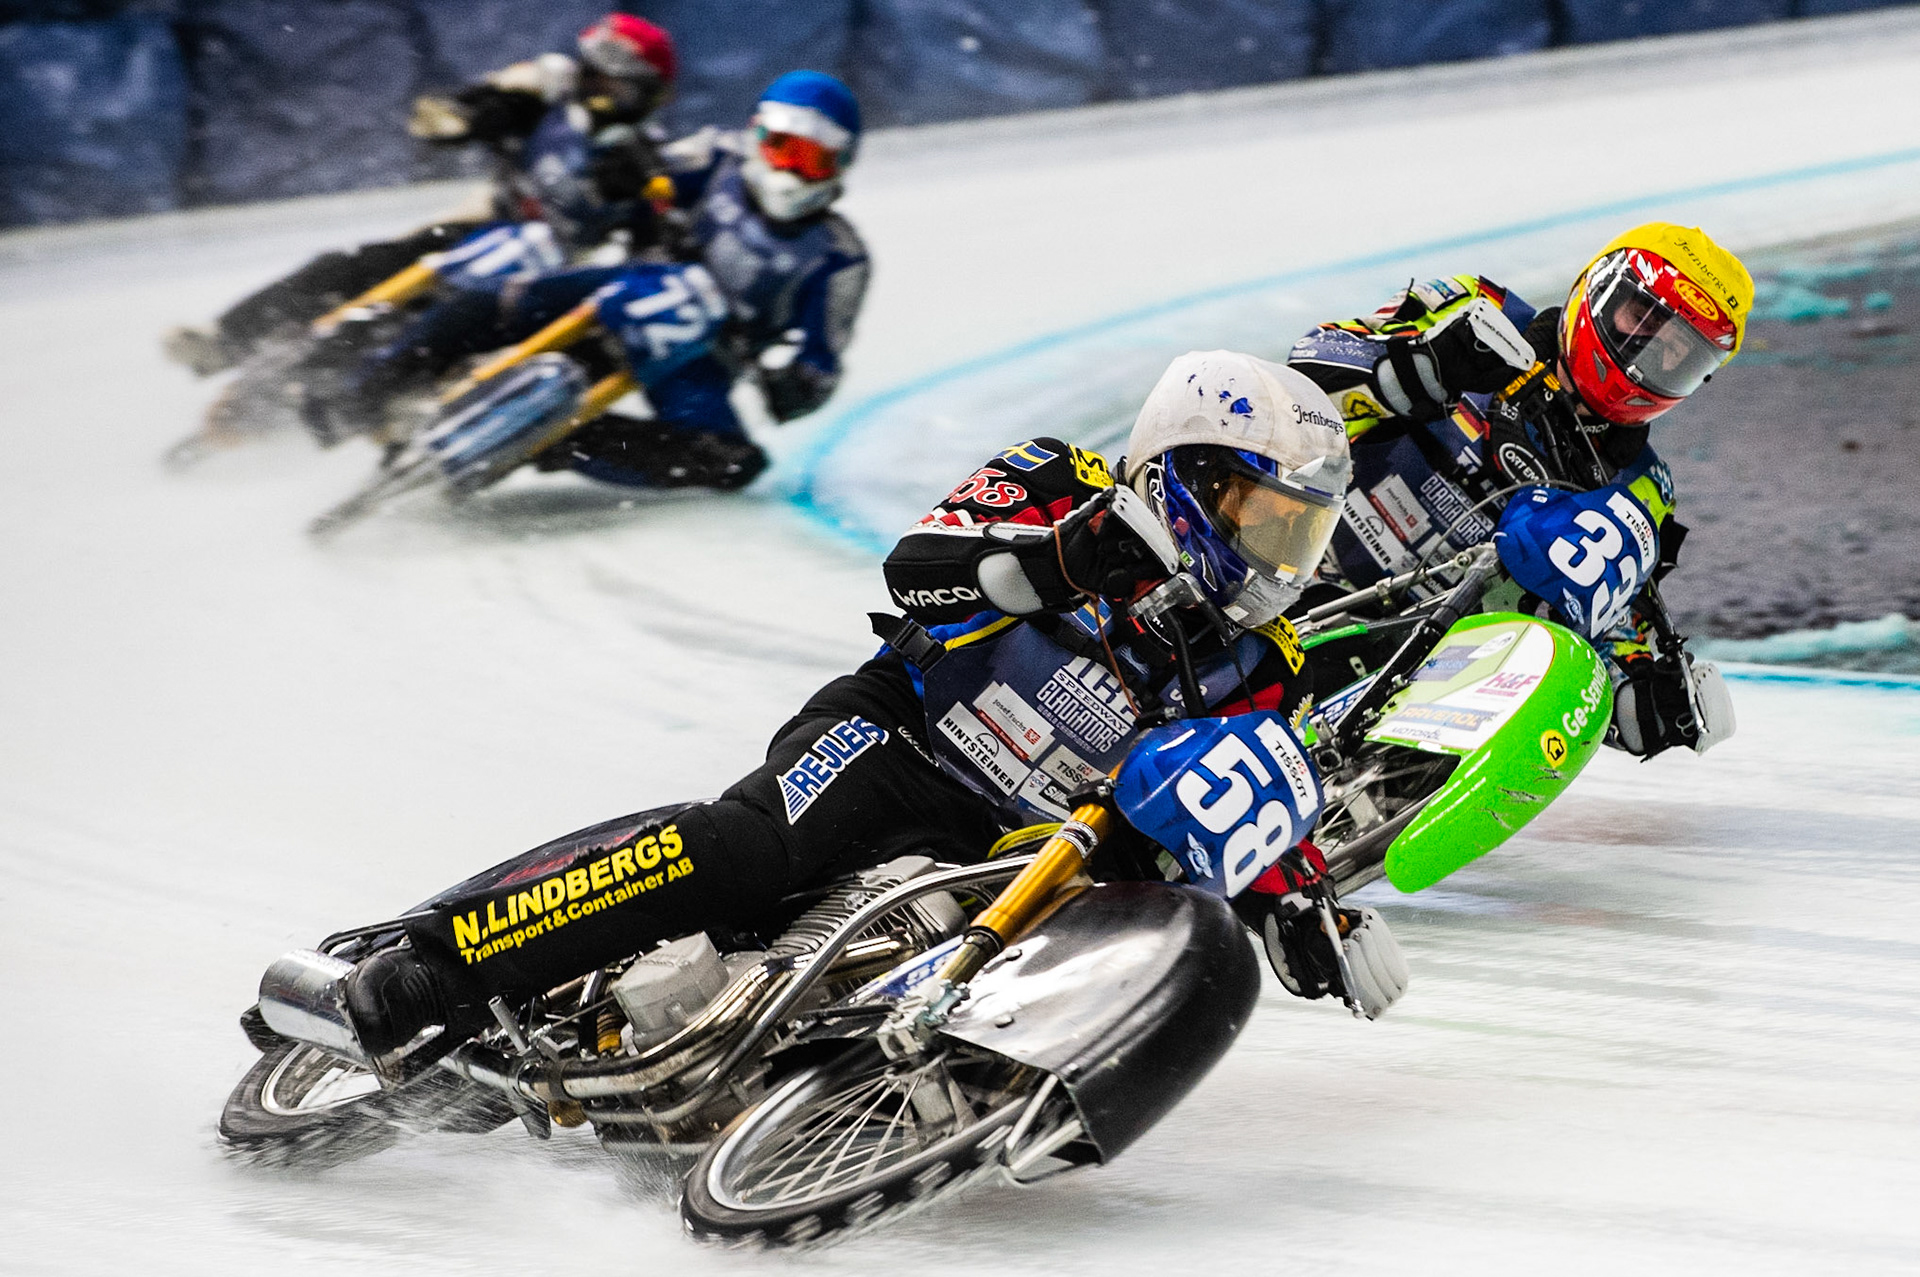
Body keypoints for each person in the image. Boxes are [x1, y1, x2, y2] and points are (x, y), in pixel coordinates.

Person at [334, 350, 1406, 1075]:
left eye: (1299, 534)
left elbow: (1244, 786)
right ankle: (443, 961)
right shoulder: (1059, 478)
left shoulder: (1265, 658)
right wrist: (1067, 560)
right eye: (1265, 519)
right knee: (747, 851)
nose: (1280, 558)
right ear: (1189, 474)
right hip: (903, 734)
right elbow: (919, 568)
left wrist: (1309, 906)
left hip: (1024, 848)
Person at [1286, 222, 1751, 758]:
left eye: (1678, 352)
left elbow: (1604, 635)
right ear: (1596, 288)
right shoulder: (1477, 307)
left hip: (1427, 687)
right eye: (1641, 319)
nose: (1646, 355)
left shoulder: (1645, 491)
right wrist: (1421, 368)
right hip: (1296, 570)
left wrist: (1640, 703)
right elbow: (1302, 374)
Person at [313, 69, 871, 491]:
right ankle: (369, 386)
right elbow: (651, 172)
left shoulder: (839, 259)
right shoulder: (717, 158)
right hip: (629, 282)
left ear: (839, 168)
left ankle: (558, 440)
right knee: (501, 302)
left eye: (812, 161)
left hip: (700, 356)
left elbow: (822, 364)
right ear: (756, 138)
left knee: (729, 460)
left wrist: (793, 387)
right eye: (782, 150)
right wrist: (627, 175)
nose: (790, 172)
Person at [165, 14, 679, 377]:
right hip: (483, 222)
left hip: (545, 268)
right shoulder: (547, 84)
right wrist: (476, 114)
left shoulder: (645, 160)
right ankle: (227, 339)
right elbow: (431, 120)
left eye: (620, 88)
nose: (602, 94)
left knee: (450, 334)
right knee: (357, 267)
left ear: (647, 97)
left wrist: (635, 214)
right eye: (598, 77)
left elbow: (651, 255)